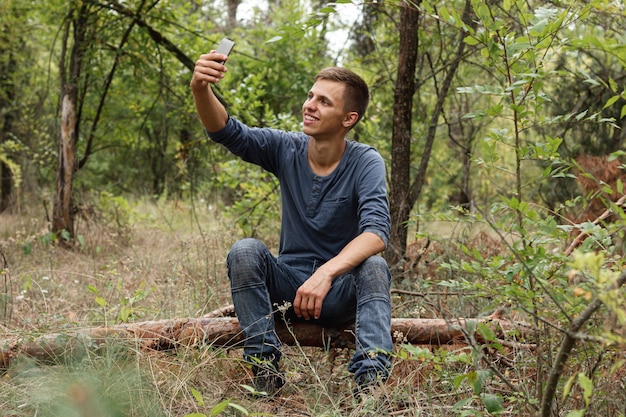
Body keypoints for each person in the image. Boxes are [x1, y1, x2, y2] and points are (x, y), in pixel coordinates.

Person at [190, 46, 394, 397]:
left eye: (324, 102)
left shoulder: (366, 161)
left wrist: (326, 273)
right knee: (245, 251)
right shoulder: (286, 148)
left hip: (340, 292)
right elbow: (228, 132)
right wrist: (200, 88)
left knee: (374, 265)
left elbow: (376, 232)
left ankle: (371, 386)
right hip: (289, 291)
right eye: (311, 96)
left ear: (349, 118)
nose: (310, 105)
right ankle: (265, 371)